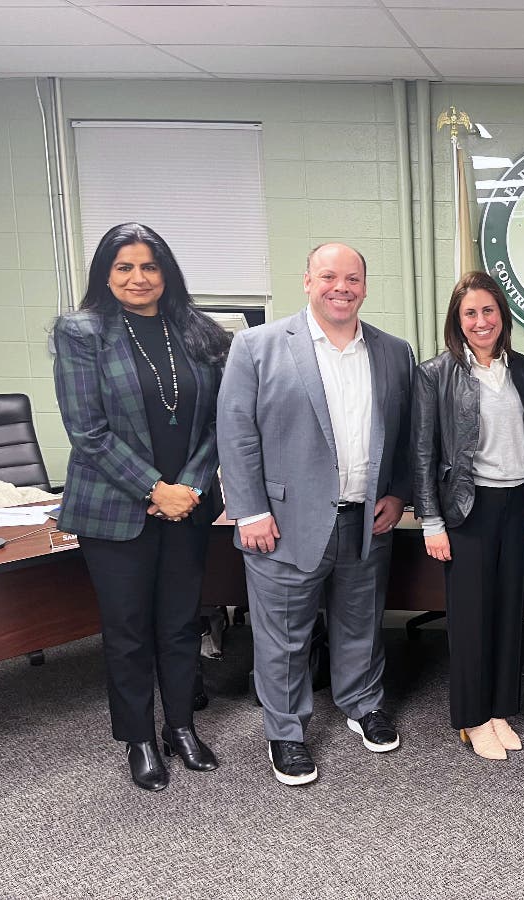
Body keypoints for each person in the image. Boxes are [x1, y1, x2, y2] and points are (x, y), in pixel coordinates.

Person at [217, 242, 415, 786]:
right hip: (282, 523)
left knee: (361, 622)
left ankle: (362, 703)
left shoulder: (394, 352)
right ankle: (285, 731)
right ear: (307, 281)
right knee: (284, 635)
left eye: (352, 279)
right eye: (329, 277)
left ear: (365, 287)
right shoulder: (256, 347)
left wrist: (398, 494)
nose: (341, 288)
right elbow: (235, 433)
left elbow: (404, 434)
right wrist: (249, 511)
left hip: (366, 519)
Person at [53, 222, 230, 791]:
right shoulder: (82, 332)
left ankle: (180, 727)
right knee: (127, 630)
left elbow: (219, 421)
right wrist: (156, 489)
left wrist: (191, 487)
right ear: (105, 275)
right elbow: (88, 431)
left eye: (149, 266)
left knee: (180, 624)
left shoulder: (199, 332)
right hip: (115, 510)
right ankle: (139, 738)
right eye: (124, 267)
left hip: (188, 506)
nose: (138, 278)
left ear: (166, 272)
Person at [411, 271, 524, 760]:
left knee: (510, 612)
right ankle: (472, 718)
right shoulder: (435, 374)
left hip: (516, 504)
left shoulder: (521, 368)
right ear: (457, 319)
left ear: (502, 316)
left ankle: (498, 710)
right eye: (469, 313)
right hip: (467, 508)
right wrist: (431, 522)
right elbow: (423, 453)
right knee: (471, 618)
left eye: (488, 310)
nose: (480, 321)